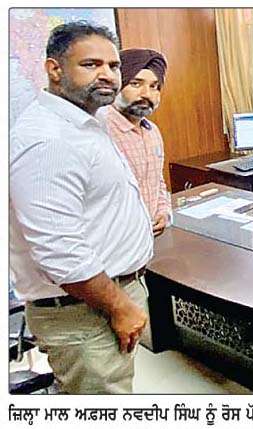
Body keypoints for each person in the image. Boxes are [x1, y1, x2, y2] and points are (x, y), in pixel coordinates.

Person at [10, 21, 151, 393]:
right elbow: (59, 250)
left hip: (103, 300)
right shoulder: (48, 139)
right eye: (91, 64)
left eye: (113, 66)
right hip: (86, 310)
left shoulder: (86, 120)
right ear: (54, 69)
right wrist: (119, 306)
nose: (107, 75)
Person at [101, 48, 171, 236]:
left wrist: (163, 212)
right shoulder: (100, 131)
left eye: (154, 86)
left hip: (148, 238)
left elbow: (157, 181)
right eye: (135, 84)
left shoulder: (152, 132)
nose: (146, 94)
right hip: (115, 241)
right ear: (117, 85)